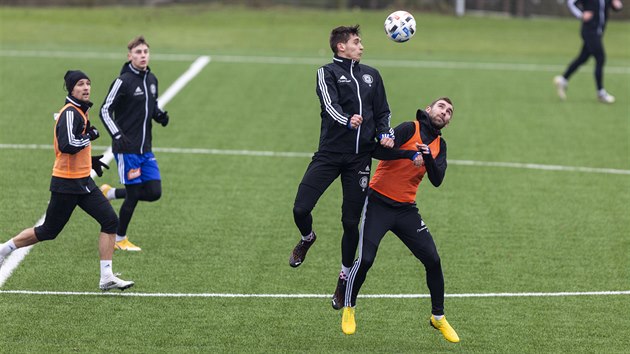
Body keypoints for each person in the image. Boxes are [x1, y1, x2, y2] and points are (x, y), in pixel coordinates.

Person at [289, 25, 395, 310]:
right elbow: (329, 105)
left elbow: (383, 111)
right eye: (356, 42)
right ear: (341, 47)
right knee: (300, 208)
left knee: (350, 223)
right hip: (329, 155)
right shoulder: (327, 73)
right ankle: (307, 237)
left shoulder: (372, 75)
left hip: (359, 160)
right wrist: (347, 119)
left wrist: (386, 132)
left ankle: (344, 277)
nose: (361, 46)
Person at [0, 70, 134, 291]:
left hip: (83, 181)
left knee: (110, 221)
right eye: (80, 84)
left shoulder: (80, 111)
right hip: (67, 183)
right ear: (71, 89)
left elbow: (74, 145)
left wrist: (90, 161)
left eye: (88, 84)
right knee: (48, 231)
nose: (86, 87)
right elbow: (67, 145)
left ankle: (107, 277)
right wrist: (90, 137)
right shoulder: (70, 112)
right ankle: (5, 249)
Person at [341, 97, 459, 343]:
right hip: (378, 203)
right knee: (365, 259)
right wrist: (408, 154)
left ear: (448, 122)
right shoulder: (409, 128)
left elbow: (437, 180)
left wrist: (426, 157)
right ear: (429, 109)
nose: (444, 112)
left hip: (406, 210)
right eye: (441, 107)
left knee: (433, 260)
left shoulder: (440, 145)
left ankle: (438, 317)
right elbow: (376, 150)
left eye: (449, 112)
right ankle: (349, 307)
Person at [99, 35, 170, 252]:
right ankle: (120, 238)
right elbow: (104, 110)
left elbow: (151, 105)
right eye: (138, 52)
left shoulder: (152, 79)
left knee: (153, 191)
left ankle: (109, 193)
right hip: (127, 148)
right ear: (130, 56)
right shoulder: (123, 81)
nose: (142, 56)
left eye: (145, 52)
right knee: (134, 194)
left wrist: (159, 115)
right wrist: (117, 135)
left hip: (145, 148)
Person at [554, 0, 623, 103]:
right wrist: (581, 14)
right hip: (589, 31)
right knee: (600, 58)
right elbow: (571, 3)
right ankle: (601, 92)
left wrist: (617, 6)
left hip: (598, 32)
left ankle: (563, 79)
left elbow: (611, 7)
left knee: (583, 58)